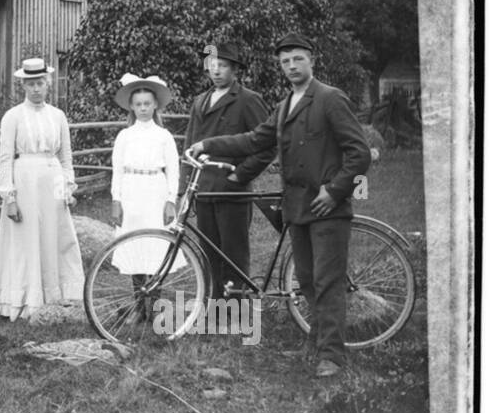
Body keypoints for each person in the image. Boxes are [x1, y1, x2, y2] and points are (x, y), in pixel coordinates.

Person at [187, 34, 371, 378]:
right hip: (297, 206)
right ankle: (314, 343)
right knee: (306, 279)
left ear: (311, 60)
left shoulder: (330, 99)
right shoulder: (285, 105)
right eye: (285, 62)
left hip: (326, 207)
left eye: (297, 59)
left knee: (327, 280)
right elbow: (254, 139)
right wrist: (208, 143)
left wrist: (334, 191)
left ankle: (331, 355)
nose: (291, 67)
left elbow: (358, 153)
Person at [0, 58, 83, 320]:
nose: (36, 89)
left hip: (51, 179)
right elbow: (5, 158)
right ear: (23, 86)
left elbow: (65, 157)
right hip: (24, 179)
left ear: (47, 84)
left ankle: (57, 293)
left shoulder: (58, 116)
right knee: (26, 238)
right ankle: (24, 297)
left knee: (56, 236)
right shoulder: (13, 116)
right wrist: (10, 197)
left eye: (40, 83)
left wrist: (67, 189)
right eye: (31, 84)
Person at [180, 43, 273, 295]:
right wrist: (184, 189)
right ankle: (215, 304)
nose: (216, 71)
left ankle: (237, 308)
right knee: (209, 252)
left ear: (235, 70)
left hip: (233, 190)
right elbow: (189, 148)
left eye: (222, 66)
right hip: (204, 190)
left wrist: (240, 175)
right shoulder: (200, 101)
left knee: (233, 253)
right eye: (212, 66)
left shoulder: (248, 100)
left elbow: (267, 146)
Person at [109, 74, 181, 274]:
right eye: (138, 104)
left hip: (155, 191)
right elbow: (118, 171)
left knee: (155, 244)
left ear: (155, 105)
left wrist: (170, 201)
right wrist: (117, 200)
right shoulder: (125, 136)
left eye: (147, 104)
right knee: (135, 243)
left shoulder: (163, 136)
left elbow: (174, 170)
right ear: (131, 106)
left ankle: (155, 297)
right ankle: (139, 299)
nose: (143, 108)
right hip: (132, 191)